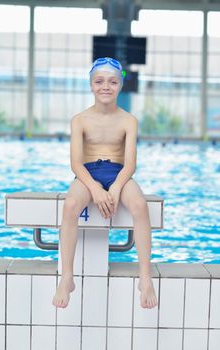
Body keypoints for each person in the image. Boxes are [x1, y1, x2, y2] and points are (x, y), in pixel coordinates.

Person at [52, 57, 158, 309]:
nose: (105, 87)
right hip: (87, 173)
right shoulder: (79, 120)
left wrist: (117, 187)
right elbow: (76, 163)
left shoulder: (128, 120)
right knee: (69, 207)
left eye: (112, 81)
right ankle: (67, 277)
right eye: (99, 81)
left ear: (120, 85)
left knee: (140, 207)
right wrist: (95, 189)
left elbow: (130, 163)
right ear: (91, 85)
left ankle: (145, 277)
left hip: (118, 172)